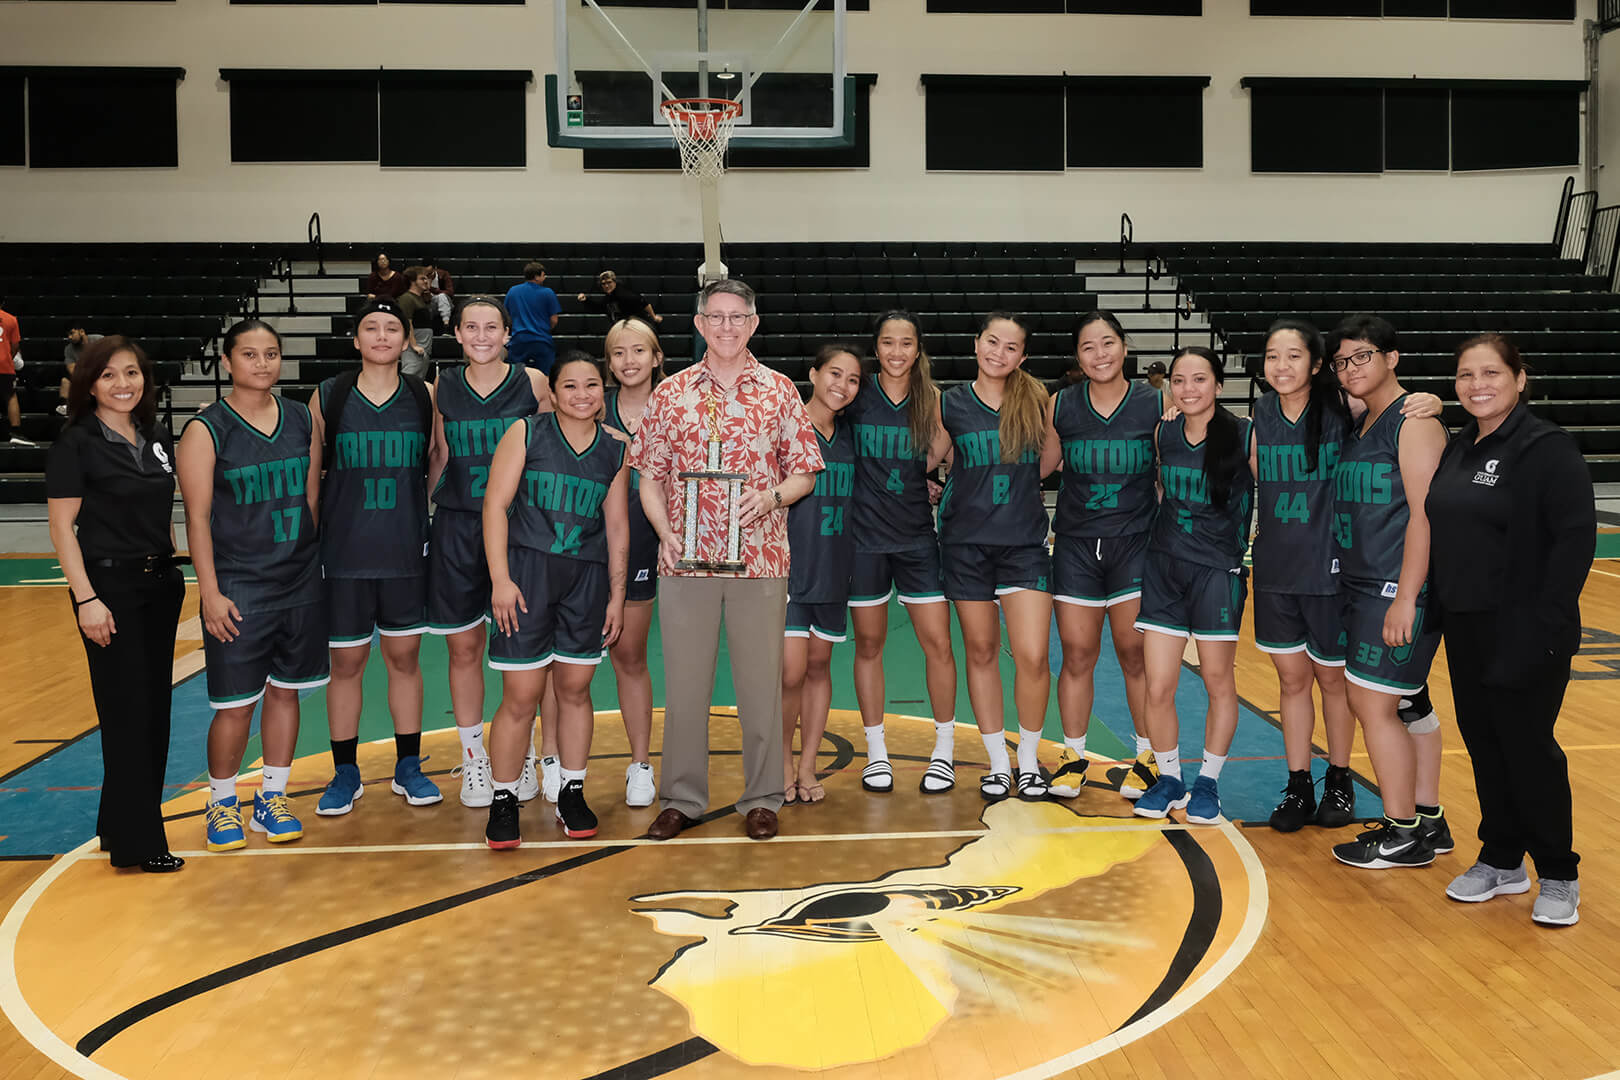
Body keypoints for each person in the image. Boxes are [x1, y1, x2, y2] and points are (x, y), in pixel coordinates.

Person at [630, 279, 824, 842]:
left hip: (761, 562)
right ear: (698, 323)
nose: (727, 327)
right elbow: (649, 476)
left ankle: (763, 797)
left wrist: (772, 497)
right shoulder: (671, 394)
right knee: (685, 686)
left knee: (760, 686)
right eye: (716, 317)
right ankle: (681, 798)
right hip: (683, 565)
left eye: (738, 317)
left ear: (754, 323)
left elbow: (805, 471)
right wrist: (665, 532)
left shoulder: (781, 391)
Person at [1253, 321, 1445, 832]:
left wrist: (1434, 401)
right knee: (1291, 682)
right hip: (1274, 571)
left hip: (1334, 573)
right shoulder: (1260, 412)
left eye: (1295, 356)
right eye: (1272, 356)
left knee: (1336, 684)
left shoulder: (1343, 407)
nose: (1282, 366)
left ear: (1317, 366)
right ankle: (1298, 784)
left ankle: (1339, 778)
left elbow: (1397, 405)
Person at [1428, 333, 1594, 925]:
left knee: (1529, 750)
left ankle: (1558, 872)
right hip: (1467, 627)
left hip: (1528, 629)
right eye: (1466, 375)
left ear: (1520, 379)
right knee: (1485, 745)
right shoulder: (1458, 447)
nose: (1478, 385)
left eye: (1491, 373)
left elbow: (1576, 544)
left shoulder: (1546, 449)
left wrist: (1544, 628)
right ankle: (1502, 858)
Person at [177, 320, 323, 852]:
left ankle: (272, 796)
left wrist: (306, 561)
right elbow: (196, 519)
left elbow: (310, 499)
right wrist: (209, 591)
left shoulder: (302, 418)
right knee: (236, 704)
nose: (262, 364)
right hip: (240, 583)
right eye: (250, 354)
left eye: (271, 354)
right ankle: (220, 802)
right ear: (227, 362)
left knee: (286, 691)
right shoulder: (206, 428)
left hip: (299, 577)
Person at [45, 336, 185, 873]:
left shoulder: (154, 436)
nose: (123, 383)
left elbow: (160, 510)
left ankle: (116, 824)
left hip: (159, 586)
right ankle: (139, 844)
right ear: (89, 383)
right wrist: (87, 599)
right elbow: (62, 528)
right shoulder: (75, 443)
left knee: (153, 711)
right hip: (109, 592)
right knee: (127, 715)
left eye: (131, 372)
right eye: (108, 375)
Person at [482, 351, 629, 847]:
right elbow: (496, 506)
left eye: (591, 385)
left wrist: (617, 593)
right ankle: (504, 798)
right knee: (521, 697)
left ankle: (571, 789)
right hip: (526, 575)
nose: (582, 394)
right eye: (570, 385)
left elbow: (617, 527)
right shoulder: (526, 432)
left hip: (585, 583)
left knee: (574, 691)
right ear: (553, 392)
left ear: (602, 391)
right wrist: (500, 578)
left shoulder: (616, 449)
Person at [1326, 314, 1451, 869]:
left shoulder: (1413, 420)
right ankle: (1429, 818)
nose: (1350, 369)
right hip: (1363, 584)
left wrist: (1406, 596)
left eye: (1362, 357)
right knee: (1406, 702)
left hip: (1394, 588)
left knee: (1371, 704)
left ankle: (1401, 833)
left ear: (1392, 357)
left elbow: (1426, 515)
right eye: (1341, 361)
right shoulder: (1364, 417)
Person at [308, 298, 439, 815]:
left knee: (404, 659)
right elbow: (313, 480)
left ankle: (408, 766)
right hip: (343, 555)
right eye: (371, 328)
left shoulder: (424, 396)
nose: (382, 336)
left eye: (392, 328)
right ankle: (345, 771)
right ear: (356, 339)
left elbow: (436, 463)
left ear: (407, 339)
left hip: (405, 552)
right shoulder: (329, 396)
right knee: (347, 663)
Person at [425, 296, 549, 809]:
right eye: (470, 326)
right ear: (456, 333)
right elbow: (438, 456)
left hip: (519, 530)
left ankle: (518, 751)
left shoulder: (535, 383)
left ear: (507, 333)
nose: (481, 335)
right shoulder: (440, 389)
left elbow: (553, 453)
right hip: (456, 525)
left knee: (523, 652)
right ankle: (474, 757)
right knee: (464, 649)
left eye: (491, 326)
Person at [928, 311, 1054, 802]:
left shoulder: (1037, 400)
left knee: (1033, 656)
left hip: (1023, 544)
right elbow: (927, 456)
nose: (998, 353)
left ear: (1022, 356)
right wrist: (936, 485)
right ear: (976, 343)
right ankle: (998, 762)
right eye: (991, 342)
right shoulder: (950, 402)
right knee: (980, 653)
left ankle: (1028, 760)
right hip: (965, 547)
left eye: (1010, 347)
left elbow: (1047, 462)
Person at [1040, 312, 1160, 801]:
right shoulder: (1060, 405)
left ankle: (1149, 757)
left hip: (1135, 542)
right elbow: (1041, 465)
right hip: (1075, 546)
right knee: (1077, 654)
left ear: (1124, 347)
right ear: (1078, 356)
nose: (1100, 354)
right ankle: (1073, 757)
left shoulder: (1157, 402)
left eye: (1108, 343)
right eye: (1089, 347)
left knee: (1136, 655)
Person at [1132, 347, 1253, 826]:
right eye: (1178, 380)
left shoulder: (1245, 434)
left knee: (1218, 681)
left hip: (1217, 572)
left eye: (1199, 379)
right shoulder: (1164, 432)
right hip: (1164, 568)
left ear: (1218, 386)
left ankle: (1208, 782)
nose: (1187, 389)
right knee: (1158, 684)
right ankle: (1169, 778)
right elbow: (1160, 491)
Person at [844, 312, 958, 795]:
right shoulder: (855, 395)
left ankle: (944, 751)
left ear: (917, 349)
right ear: (876, 348)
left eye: (905, 343)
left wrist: (926, 481)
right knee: (869, 646)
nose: (896, 352)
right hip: (864, 540)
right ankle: (876, 754)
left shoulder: (933, 401)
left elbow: (936, 457)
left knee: (938, 644)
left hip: (916, 539)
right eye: (888, 343)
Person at [782, 343, 862, 805]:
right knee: (790, 672)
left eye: (852, 380)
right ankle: (782, 763)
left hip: (834, 567)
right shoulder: (787, 428)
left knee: (818, 665)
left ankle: (809, 764)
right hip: (791, 567)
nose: (842, 386)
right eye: (835, 374)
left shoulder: (853, 436)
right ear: (813, 373)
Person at [597, 317, 666, 807]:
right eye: (619, 353)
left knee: (629, 654)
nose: (629, 361)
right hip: (588, 543)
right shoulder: (589, 404)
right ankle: (553, 758)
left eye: (638, 351)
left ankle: (641, 764)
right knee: (566, 661)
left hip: (652, 544)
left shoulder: (678, 404)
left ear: (656, 357)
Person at [504, 262, 562, 375]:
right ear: (536, 276)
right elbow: (554, 320)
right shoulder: (548, 293)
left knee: (515, 375)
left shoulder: (513, 291)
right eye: (543, 275)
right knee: (546, 376)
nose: (544, 278)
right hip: (542, 340)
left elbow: (506, 316)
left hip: (518, 340)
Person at [577, 270, 663, 328]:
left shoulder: (624, 294)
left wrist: (654, 317)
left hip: (635, 327)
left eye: (609, 282)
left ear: (615, 282)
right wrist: (586, 300)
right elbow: (600, 308)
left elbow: (643, 302)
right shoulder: (609, 297)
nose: (606, 286)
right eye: (603, 284)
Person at [0, 294, 31, 446]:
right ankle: (16, 432)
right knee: (11, 396)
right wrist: (7, 356)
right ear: (3, 303)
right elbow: (15, 346)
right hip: (5, 365)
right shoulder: (11, 319)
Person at [397, 266, 435, 379]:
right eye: (422, 279)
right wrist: (414, 345)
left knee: (419, 377)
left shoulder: (420, 298)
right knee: (410, 374)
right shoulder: (407, 298)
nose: (426, 281)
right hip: (415, 343)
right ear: (413, 281)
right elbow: (407, 322)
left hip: (424, 343)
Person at [61, 328, 103, 416]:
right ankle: (67, 407)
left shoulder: (99, 340)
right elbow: (72, 369)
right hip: (84, 376)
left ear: (82, 332)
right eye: (68, 335)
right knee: (65, 381)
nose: (69, 337)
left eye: (72, 333)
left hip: (102, 373)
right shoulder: (69, 349)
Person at [426, 258, 456, 329]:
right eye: (426, 273)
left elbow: (450, 292)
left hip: (445, 302)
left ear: (435, 269)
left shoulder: (443, 274)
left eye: (430, 273)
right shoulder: (420, 277)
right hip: (428, 303)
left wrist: (432, 289)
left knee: (441, 296)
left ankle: (446, 324)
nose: (428, 275)